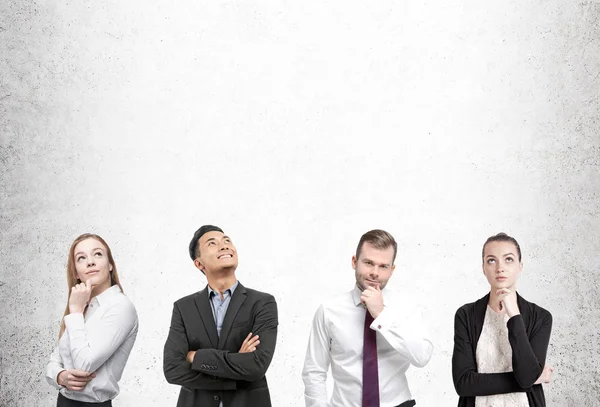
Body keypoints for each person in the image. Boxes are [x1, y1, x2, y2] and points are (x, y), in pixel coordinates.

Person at [302, 229, 433, 407]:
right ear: (354, 262)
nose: (375, 272)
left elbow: (422, 356)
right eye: (369, 263)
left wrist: (381, 316)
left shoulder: (407, 307)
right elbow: (314, 371)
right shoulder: (329, 311)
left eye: (383, 266)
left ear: (392, 270)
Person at [163, 225, 278, 407]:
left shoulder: (262, 303)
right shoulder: (183, 308)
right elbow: (172, 370)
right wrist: (235, 369)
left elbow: (256, 365)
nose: (224, 246)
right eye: (212, 243)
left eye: (227, 241)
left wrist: (195, 357)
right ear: (199, 263)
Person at [452, 232, 554, 407]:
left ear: (520, 266)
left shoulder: (541, 317)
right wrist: (532, 379)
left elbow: (527, 375)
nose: (500, 267)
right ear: (483, 268)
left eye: (508, 259)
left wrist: (514, 315)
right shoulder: (466, 315)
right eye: (492, 260)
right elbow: (463, 383)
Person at [46, 233, 139, 407]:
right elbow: (54, 361)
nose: (90, 262)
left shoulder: (120, 307)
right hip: (64, 402)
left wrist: (75, 312)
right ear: (76, 272)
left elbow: (84, 365)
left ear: (110, 264)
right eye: (81, 258)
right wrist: (60, 376)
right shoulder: (82, 306)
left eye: (97, 254)